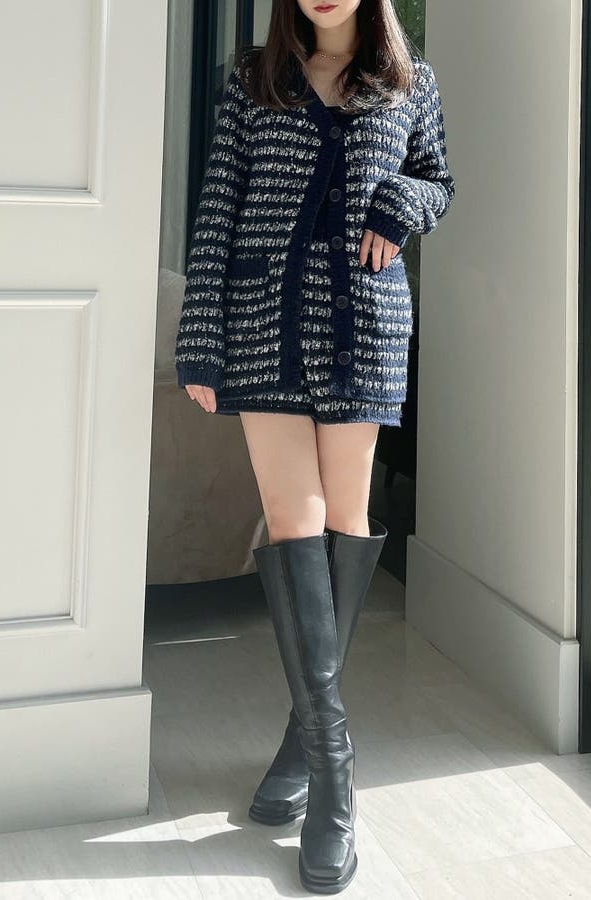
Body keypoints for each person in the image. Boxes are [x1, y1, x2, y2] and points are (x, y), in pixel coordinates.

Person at [174, 0, 455, 892]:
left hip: (364, 325)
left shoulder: (412, 84)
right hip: (264, 322)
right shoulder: (252, 80)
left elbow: (439, 181)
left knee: (345, 519)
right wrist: (201, 335)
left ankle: (303, 738)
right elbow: (218, 207)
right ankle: (335, 771)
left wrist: (401, 204)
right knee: (293, 521)